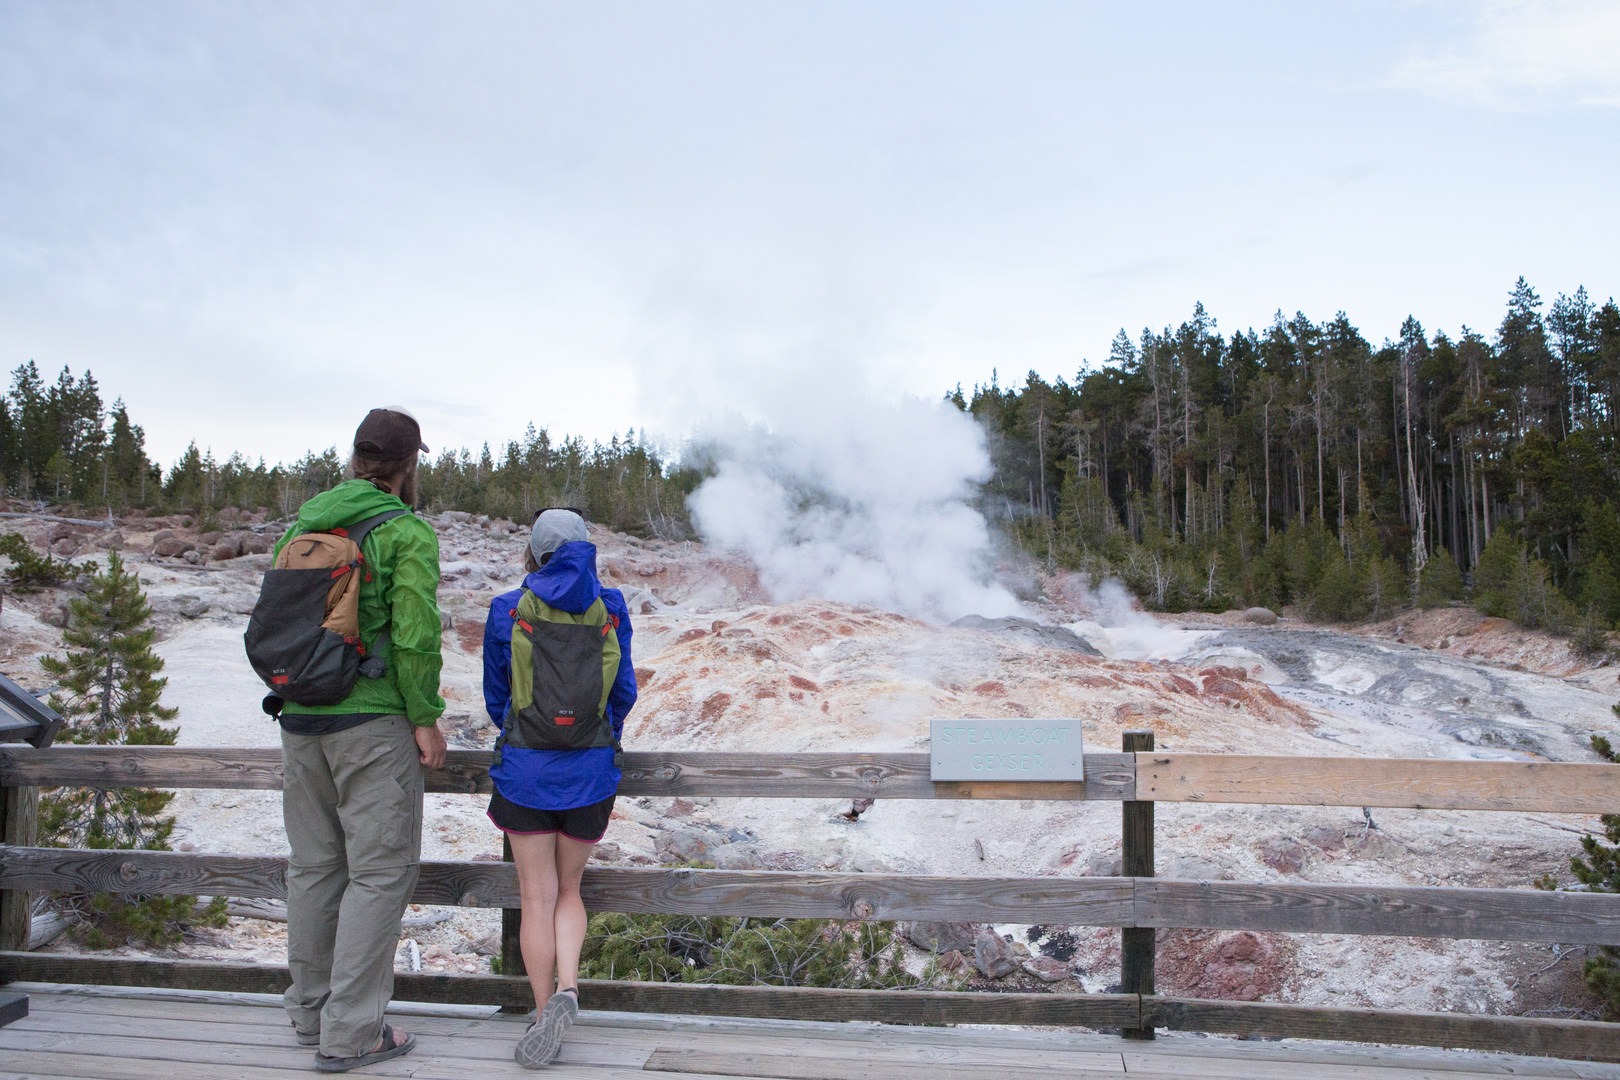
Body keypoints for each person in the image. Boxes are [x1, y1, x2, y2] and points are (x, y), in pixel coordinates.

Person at [276, 406, 447, 1074]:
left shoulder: (304, 525)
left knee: (314, 868)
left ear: (355, 458)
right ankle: (351, 1034)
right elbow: (416, 634)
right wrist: (425, 715)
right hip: (371, 725)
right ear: (408, 465)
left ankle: (309, 1012)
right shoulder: (405, 532)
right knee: (379, 875)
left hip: (300, 719)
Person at [482, 507, 637, 1069]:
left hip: (525, 772)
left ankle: (544, 1009)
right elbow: (624, 691)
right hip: (591, 772)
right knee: (570, 892)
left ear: (534, 553)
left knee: (536, 898)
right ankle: (569, 987)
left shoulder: (507, 608)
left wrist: (527, 734)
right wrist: (596, 738)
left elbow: (496, 696)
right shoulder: (610, 607)